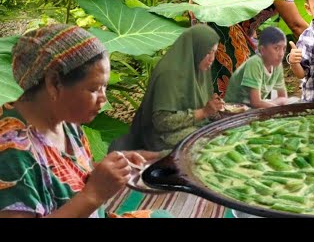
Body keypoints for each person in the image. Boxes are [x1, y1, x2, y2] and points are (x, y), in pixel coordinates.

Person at [0, 24, 170, 218]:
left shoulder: (65, 121)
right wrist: (94, 194)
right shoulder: (10, 151)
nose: (103, 98)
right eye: (94, 89)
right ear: (54, 83)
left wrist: (113, 167)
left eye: (104, 87)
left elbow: (72, 178)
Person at [110, 25, 224, 153]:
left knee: (226, 133)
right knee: (210, 145)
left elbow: (204, 105)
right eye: (208, 52)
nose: (212, 59)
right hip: (160, 137)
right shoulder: (170, 74)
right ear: (195, 49)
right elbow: (162, 122)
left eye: (214, 52)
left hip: (192, 125)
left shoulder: (198, 67)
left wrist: (215, 109)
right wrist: (203, 112)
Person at [224, 26, 298, 108]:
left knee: (292, 100)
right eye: (276, 48)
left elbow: (282, 97)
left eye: (283, 48)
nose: (281, 54)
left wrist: (278, 106)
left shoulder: (277, 64)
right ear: (263, 50)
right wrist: (279, 110)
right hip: (236, 108)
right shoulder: (255, 63)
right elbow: (256, 103)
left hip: (254, 106)